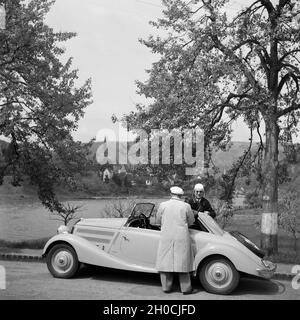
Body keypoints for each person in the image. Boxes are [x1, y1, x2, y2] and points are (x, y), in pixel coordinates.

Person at [155, 186, 196, 295]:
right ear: (181, 195)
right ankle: (186, 288)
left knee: (166, 261)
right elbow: (191, 221)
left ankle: (166, 287)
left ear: (171, 194)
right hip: (181, 236)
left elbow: (158, 221)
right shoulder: (186, 206)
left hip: (166, 236)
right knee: (183, 262)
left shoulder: (163, 205)